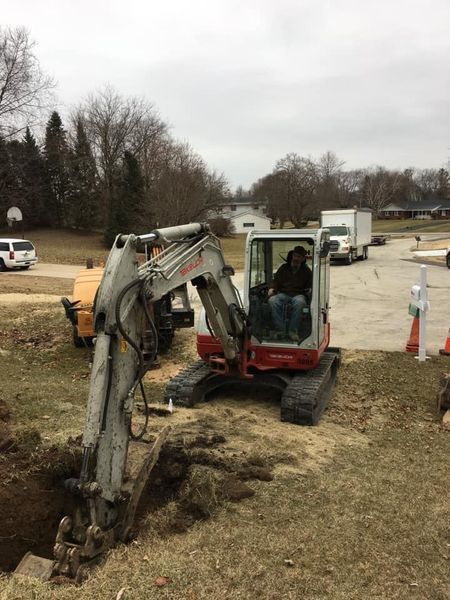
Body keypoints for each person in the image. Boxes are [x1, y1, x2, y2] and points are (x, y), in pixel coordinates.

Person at [268, 246, 312, 340]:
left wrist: (310, 290)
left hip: (298, 295)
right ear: (292, 256)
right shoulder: (283, 268)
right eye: (295, 256)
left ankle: (293, 330)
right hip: (284, 293)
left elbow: (310, 285)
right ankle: (280, 330)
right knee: (272, 300)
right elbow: (276, 281)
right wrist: (272, 288)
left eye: (299, 257)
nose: (296, 258)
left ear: (303, 259)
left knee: (300, 303)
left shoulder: (307, 271)